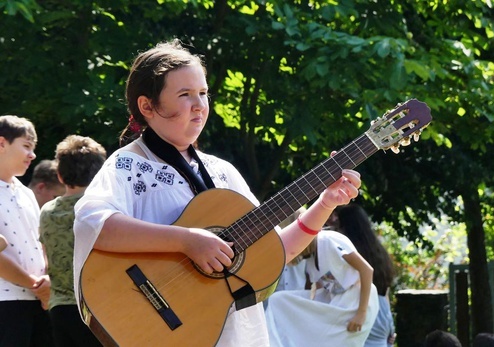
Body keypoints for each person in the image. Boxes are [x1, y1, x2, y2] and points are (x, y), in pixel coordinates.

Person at [72, 39, 361, 347]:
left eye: (203, 93)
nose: (199, 104)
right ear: (147, 106)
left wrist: (326, 202)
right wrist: (188, 241)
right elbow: (92, 223)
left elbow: (278, 251)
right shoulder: (129, 164)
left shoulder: (222, 171)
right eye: (185, 95)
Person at [39, 135, 106, 347]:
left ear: (59, 175)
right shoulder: (103, 210)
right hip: (99, 309)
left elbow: (46, 258)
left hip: (61, 309)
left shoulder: (47, 211)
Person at [265, 228, 379, 347]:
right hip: (334, 300)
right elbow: (319, 288)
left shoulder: (329, 240)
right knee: (278, 300)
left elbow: (366, 270)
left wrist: (361, 313)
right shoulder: (309, 258)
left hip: (356, 301)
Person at [0, 115, 54, 346]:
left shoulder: (26, 192)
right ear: (1, 143)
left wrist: (48, 281)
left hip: (39, 300)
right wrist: (36, 285)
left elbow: (41, 242)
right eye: (26, 146)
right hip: (5, 301)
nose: (32, 155)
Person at [336, 204, 396, 347]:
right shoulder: (378, 251)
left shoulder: (350, 253)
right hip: (383, 316)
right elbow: (385, 291)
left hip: (362, 310)